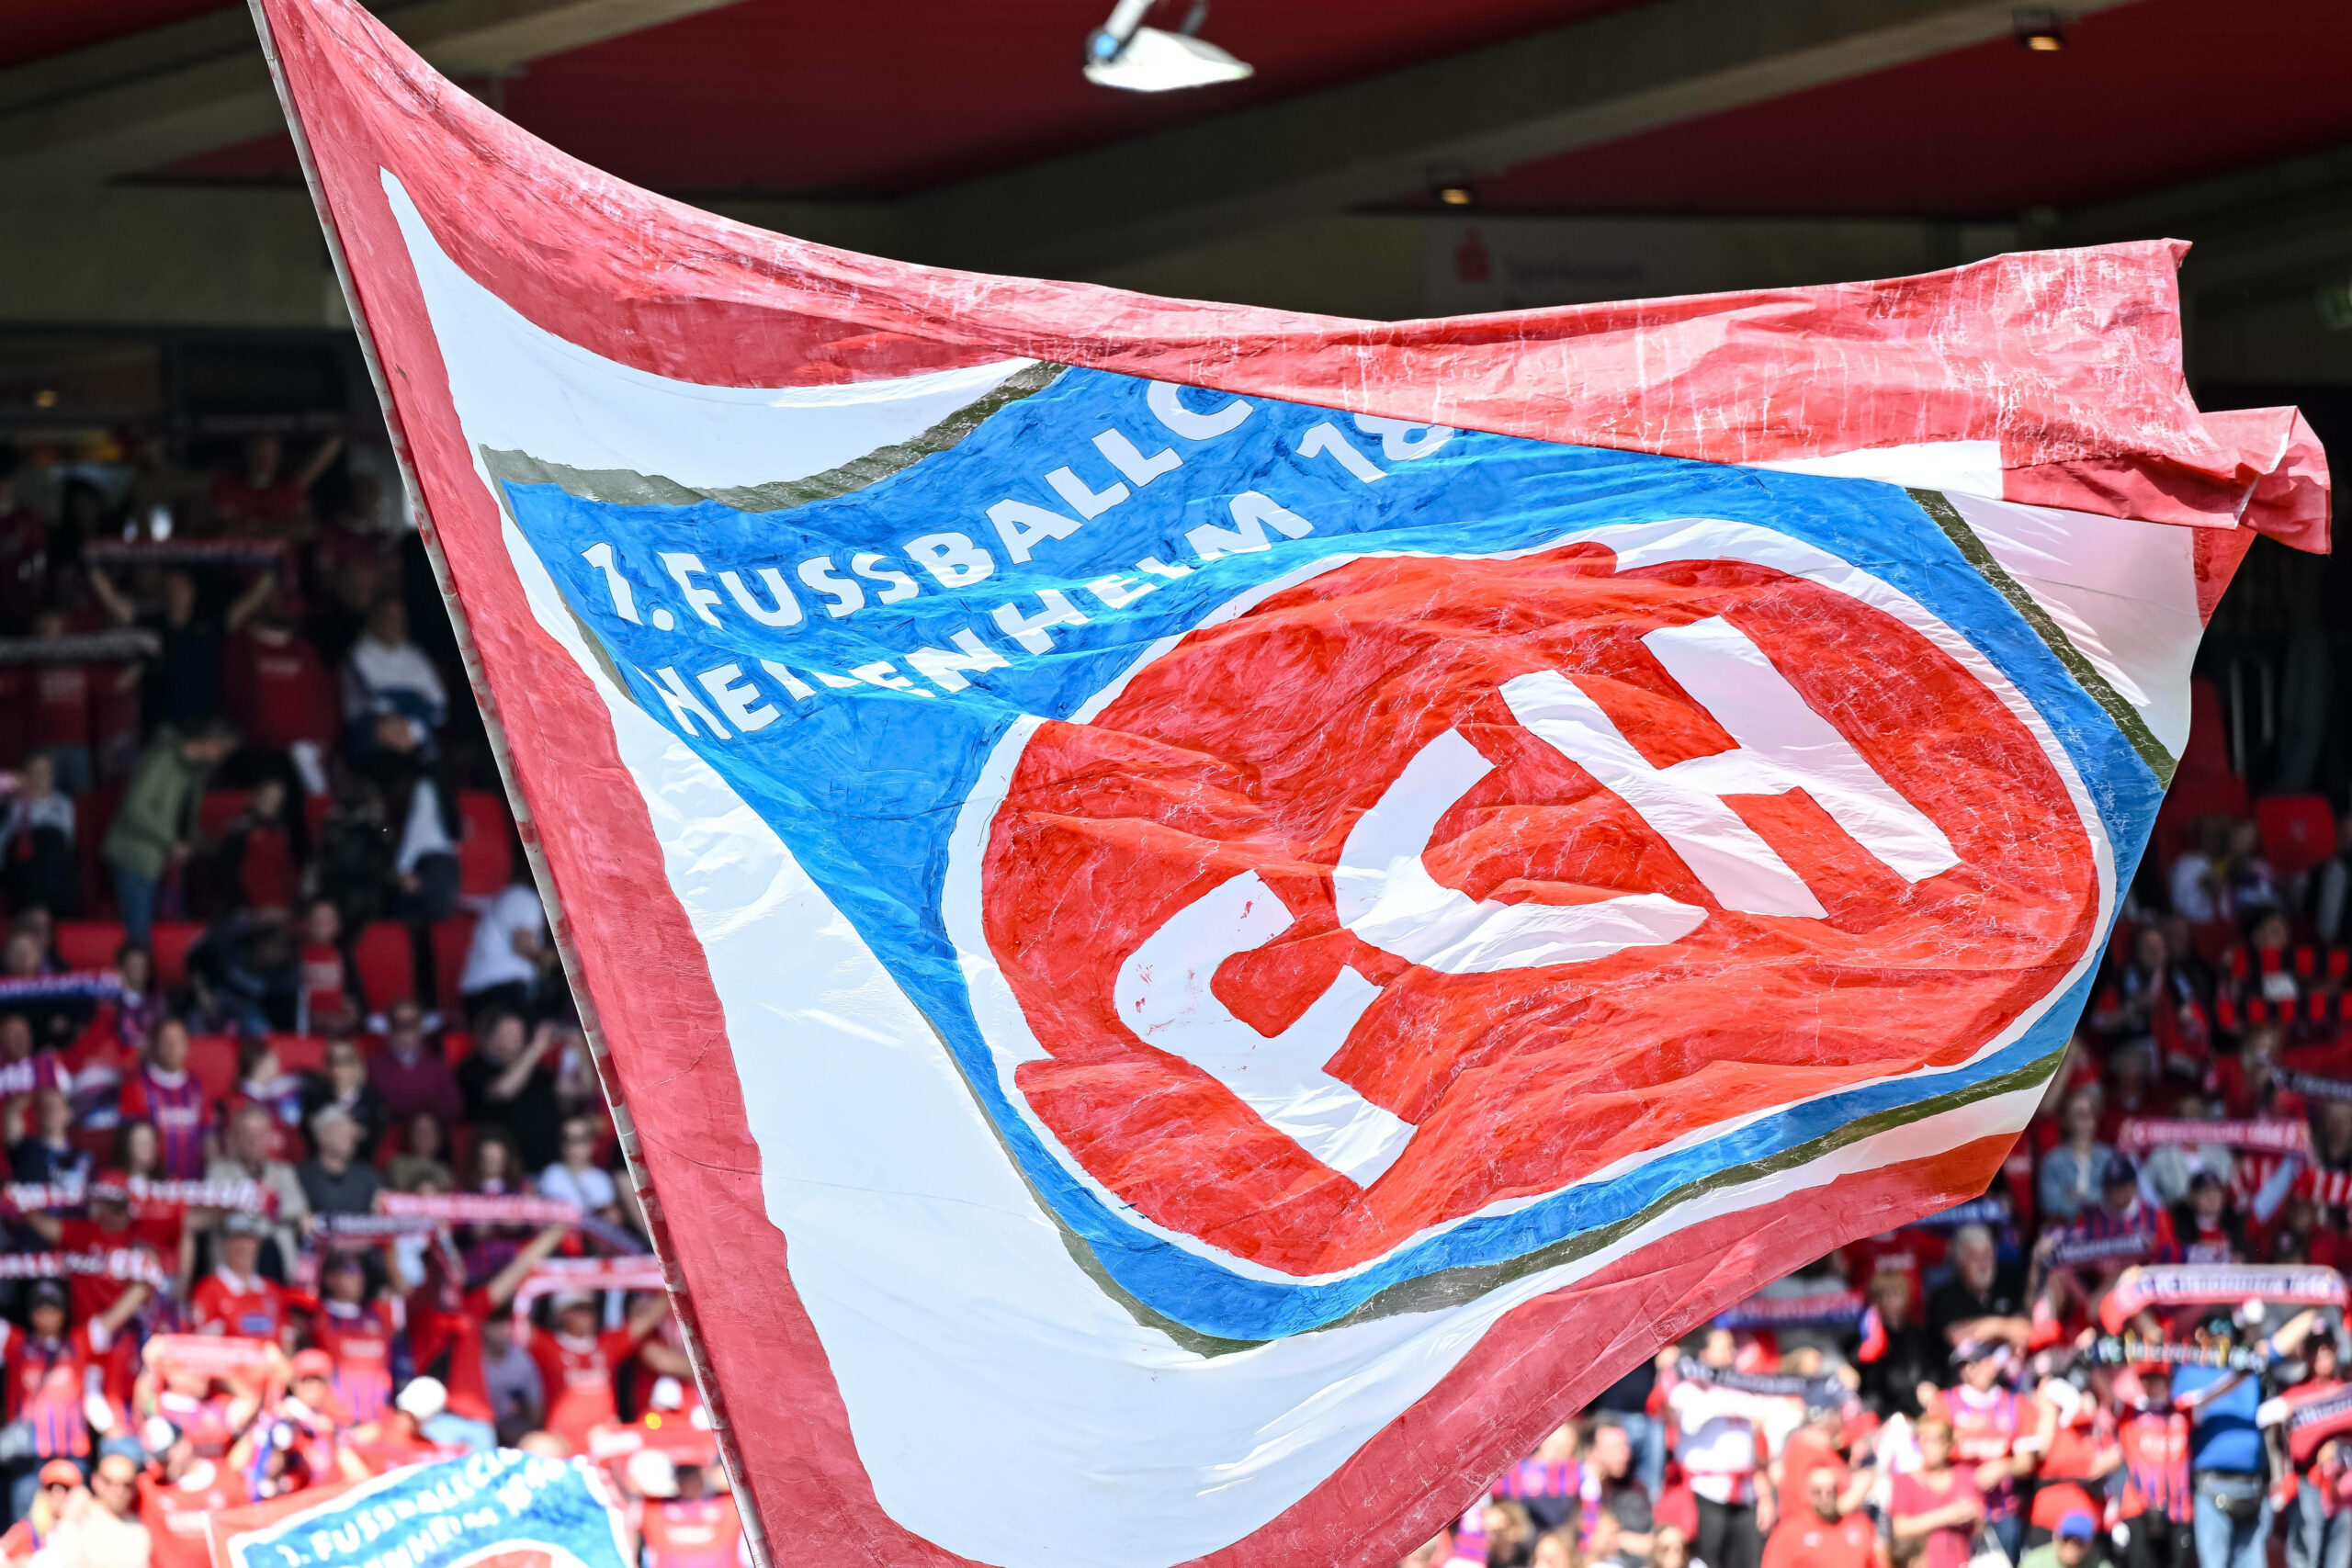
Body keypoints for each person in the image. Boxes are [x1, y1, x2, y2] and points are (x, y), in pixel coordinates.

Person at [2176, 1308, 2320, 1568]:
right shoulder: (2189, 1373)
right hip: (2211, 1488)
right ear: (2200, 1334)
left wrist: (2319, 1299)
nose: (2224, 1337)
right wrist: (2241, 1373)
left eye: (2229, 1330)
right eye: (2216, 1330)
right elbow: (2191, 1406)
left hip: (2254, 1488)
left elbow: (2282, 1343)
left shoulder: (2250, 1365)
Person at [98, 722, 237, 946]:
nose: (221, 758)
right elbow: (134, 808)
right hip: (133, 855)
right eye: (223, 750)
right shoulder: (163, 758)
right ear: (210, 741)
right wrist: (171, 842)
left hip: (157, 860)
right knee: (138, 937)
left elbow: (183, 820)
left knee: (153, 935)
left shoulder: (191, 772)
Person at [528, 1291, 683, 1458]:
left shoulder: (606, 1345)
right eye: (579, 1309)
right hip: (562, 1444)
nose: (588, 1315)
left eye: (591, 1308)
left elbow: (644, 1323)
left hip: (604, 1440)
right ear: (561, 1313)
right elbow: (516, 1325)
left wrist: (670, 1286)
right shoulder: (546, 1346)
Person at [1665, 1335, 1767, 1568]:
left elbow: (1760, 1422)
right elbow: (1691, 1419)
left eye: (1732, 1348)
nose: (1729, 1354)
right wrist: (1730, 1402)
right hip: (1706, 1492)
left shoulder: (1741, 1386)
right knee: (1707, 1561)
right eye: (1723, 1348)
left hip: (1745, 1493)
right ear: (1703, 1353)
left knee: (1749, 1561)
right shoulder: (1687, 1389)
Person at [202, 1103, 309, 1279]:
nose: (254, 1140)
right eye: (248, 1134)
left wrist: (267, 1202)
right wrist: (269, 1204)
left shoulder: (284, 1171)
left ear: (269, 1137)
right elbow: (224, 1214)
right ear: (236, 1137)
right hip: (236, 1261)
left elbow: (299, 1207)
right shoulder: (219, 1171)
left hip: (279, 1257)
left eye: (260, 1134)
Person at [458, 1012, 563, 1172]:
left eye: (521, 1032)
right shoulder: (473, 1068)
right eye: (510, 1033)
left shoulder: (538, 1071)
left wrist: (581, 1049)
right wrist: (536, 1049)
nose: (519, 1038)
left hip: (548, 1165)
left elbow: (575, 1092)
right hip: (505, 1171)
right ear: (490, 1038)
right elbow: (504, 1091)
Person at [134, 1420, 246, 1568]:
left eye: (165, 1457)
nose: (162, 1464)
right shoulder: (149, 1486)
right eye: (158, 1458)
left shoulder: (228, 1479)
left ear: (184, 1444)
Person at [310, 1249, 397, 1427]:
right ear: (329, 1278)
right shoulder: (319, 1315)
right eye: (349, 1271)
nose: (357, 1278)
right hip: (337, 1420)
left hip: (379, 1420)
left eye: (360, 1272)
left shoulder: (381, 1314)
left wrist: (387, 1242)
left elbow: (400, 1288)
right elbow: (302, 1285)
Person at [116, 1022, 211, 1182]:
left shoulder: (198, 1086)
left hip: (194, 1184)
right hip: (151, 1186)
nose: (173, 1046)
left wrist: (212, 1176)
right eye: (167, 1040)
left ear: (187, 1046)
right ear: (155, 1045)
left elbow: (209, 1136)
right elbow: (128, 1145)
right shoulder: (136, 1086)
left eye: (178, 1040)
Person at [1890, 1416, 1983, 1568]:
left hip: (1962, 1561)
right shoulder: (1906, 1480)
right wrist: (1948, 1515)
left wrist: (1973, 1515)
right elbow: (1900, 1528)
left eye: (1932, 1440)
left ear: (1948, 1444)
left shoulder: (1965, 1475)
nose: (1925, 1446)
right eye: (1922, 1440)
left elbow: (1979, 1525)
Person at [187, 1213, 294, 1344]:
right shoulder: (208, 1290)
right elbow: (204, 1343)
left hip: (270, 1362)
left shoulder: (272, 1291)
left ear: (257, 1244)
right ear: (224, 1243)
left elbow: (287, 1340)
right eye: (236, 1238)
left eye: (248, 1238)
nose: (242, 1246)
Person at [38, 1453, 150, 1568]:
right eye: (109, 1482)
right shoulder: (80, 1515)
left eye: (126, 1484)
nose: (119, 1490)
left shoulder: (139, 1527)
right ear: (95, 1480)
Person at [1927, 1226, 2030, 1349]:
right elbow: (1956, 1336)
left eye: (1986, 1254)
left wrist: (1982, 1329)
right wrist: (2001, 1326)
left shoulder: (2012, 1281)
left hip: (2008, 1361)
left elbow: (2027, 1328)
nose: (1983, 1263)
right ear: (1961, 1261)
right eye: (1974, 1256)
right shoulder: (1943, 1295)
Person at [1, 756, 78, 919]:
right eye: (35, 772)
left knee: (50, 838)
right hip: (22, 873)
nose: (41, 778)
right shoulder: (13, 804)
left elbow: (69, 844)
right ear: (25, 776)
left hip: (54, 873)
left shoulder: (64, 805)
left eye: (46, 772)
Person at [368, 998, 461, 1128]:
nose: (405, 1032)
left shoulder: (437, 1066)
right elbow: (375, 1111)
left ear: (421, 1027)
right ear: (389, 1028)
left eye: (411, 1024)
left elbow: (452, 1108)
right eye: (398, 1024)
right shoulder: (373, 1066)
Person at [1761, 1463, 1876, 1568]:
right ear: (1808, 1493)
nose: (1825, 1497)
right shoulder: (1789, 1532)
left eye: (1830, 1491)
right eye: (1818, 1492)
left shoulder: (1859, 1526)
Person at [639, 1460, 747, 1568]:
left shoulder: (727, 1503)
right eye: (682, 1473)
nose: (687, 1480)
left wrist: (716, 1475)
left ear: (703, 1473)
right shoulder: (654, 1508)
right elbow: (632, 1484)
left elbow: (745, 1480)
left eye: (692, 1472)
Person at [299, 1038, 387, 1162]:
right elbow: (307, 1131)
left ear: (356, 1064)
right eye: (332, 1061)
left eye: (344, 1061)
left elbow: (375, 1136)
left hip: (360, 1163)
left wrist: (339, 1131)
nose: (337, 1068)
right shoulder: (315, 1096)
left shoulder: (372, 1099)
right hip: (323, 1164)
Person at [2039, 1089, 2118, 1227]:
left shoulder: (2109, 1158)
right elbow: (2052, 1206)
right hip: (2065, 1233)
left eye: (2091, 1115)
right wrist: (2097, 1199)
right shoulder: (2053, 1161)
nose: (2087, 1121)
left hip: (2105, 1232)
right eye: (2080, 1116)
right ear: (2066, 1120)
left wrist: (2079, 1197)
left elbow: (2117, 1200)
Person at [294, 1104, 380, 1219]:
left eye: (350, 1132)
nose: (349, 1136)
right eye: (340, 1131)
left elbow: (382, 1214)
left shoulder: (368, 1176)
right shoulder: (302, 1176)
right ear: (322, 1136)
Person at [1, 1460, 85, 1562]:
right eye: (50, 1487)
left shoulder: (88, 1529)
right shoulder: (28, 1529)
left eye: (65, 1488)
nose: (57, 1493)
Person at [2018, 1513, 2098, 1568]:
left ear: (2089, 1545)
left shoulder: (2097, 1564)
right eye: (2067, 1538)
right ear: (2055, 1537)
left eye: (2079, 1542)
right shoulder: (2034, 1563)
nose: (2072, 1546)